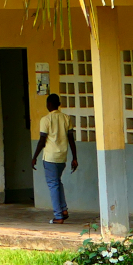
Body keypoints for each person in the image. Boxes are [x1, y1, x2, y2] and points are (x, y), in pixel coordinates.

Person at [31, 93, 79, 224]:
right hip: (62, 157)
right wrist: (74, 158)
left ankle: (58, 216)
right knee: (57, 182)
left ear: (49, 104)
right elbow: (71, 139)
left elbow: (42, 140)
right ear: (59, 104)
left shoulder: (45, 120)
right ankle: (63, 210)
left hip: (50, 157)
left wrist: (34, 157)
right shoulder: (66, 118)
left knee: (53, 185)